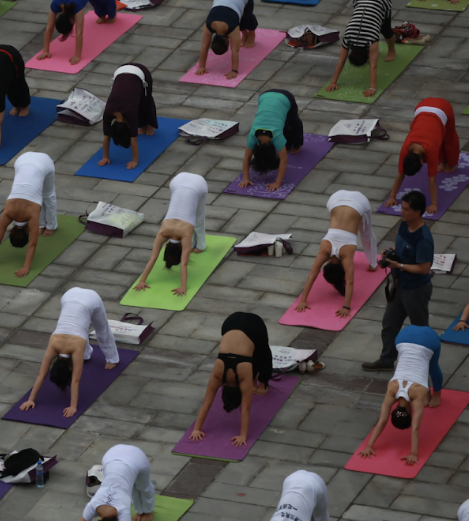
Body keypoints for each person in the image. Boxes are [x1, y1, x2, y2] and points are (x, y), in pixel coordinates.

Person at [18, 287, 120, 418]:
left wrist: (73, 406)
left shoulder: (75, 348)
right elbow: (41, 375)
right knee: (81, 337)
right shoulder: (53, 344)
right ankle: (91, 354)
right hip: (68, 295)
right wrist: (30, 399)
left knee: (101, 328)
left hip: (90, 299)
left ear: (70, 367)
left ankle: (112, 359)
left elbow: (75, 380)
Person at [365, 191, 434, 371]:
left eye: (405, 209)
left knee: (420, 330)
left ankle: (422, 364)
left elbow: (424, 268)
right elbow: (401, 246)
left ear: (417, 212)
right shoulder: (404, 225)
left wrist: (399, 265)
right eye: (401, 208)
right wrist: (392, 252)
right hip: (398, 286)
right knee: (389, 325)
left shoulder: (424, 238)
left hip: (416, 290)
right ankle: (387, 360)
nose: (401, 211)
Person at [357, 324, 442, 467]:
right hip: (404, 335)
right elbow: (382, 420)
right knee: (423, 366)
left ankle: (437, 395)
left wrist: (414, 454)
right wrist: (368, 445)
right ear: (395, 409)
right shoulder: (392, 390)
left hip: (428, 339)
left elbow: (415, 427)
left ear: (410, 411)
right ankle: (432, 393)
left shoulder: (417, 397)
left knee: (432, 367)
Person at [188, 312, 274, 449]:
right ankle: (259, 381)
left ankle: (263, 384)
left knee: (262, 353)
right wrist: (196, 429)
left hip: (252, 326)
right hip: (230, 322)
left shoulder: (241, 376)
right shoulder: (218, 375)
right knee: (255, 355)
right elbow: (207, 404)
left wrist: (243, 436)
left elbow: (245, 408)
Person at [294, 190, 381, 319]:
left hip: (359, 201)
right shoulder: (324, 249)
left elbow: (350, 282)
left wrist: (346, 307)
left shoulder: (346, 255)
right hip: (335, 198)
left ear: (342, 272)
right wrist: (303, 300)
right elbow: (311, 276)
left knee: (366, 233)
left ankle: (374, 264)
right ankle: (373, 262)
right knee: (365, 233)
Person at [0, 152, 57, 279]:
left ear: (28, 232)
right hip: (22, 160)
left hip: (44, 162)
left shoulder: (30, 216)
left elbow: (32, 244)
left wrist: (26, 267)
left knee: (48, 195)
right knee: (39, 198)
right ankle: (44, 225)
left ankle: (51, 226)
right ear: (12, 230)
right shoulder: (7, 213)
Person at [131, 172, 209, 297]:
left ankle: (201, 246)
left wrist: (183, 286)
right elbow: (152, 259)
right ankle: (199, 245)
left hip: (198, 183)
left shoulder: (185, 236)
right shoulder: (162, 233)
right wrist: (142, 280)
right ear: (166, 247)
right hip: (177, 180)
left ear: (182, 248)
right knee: (195, 214)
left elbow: (184, 263)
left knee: (198, 217)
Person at [384, 97, 460, 215]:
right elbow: (401, 173)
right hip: (422, 106)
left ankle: (451, 163)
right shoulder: (406, 148)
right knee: (438, 137)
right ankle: (443, 162)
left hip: (443, 108)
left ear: (421, 162)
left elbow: (432, 180)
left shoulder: (431, 149)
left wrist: (434, 204)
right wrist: (392, 197)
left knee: (449, 137)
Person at [42, 0, 119, 66]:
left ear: (72, 22)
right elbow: (49, 28)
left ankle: (112, 14)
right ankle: (101, 14)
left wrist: (77, 55)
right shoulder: (56, 3)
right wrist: (46, 51)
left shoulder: (77, 5)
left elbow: (79, 33)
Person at [327, 0, 396, 97]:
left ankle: (392, 50)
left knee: (386, 30)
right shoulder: (348, 37)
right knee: (378, 26)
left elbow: (373, 66)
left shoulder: (371, 39)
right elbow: (341, 61)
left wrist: (372, 88)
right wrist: (333, 83)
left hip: (382, 1)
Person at [239, 90, 305, 192]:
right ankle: (289, 144)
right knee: (282, 123)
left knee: (293, 122)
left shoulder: (277, 137)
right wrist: (246, 178)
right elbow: (247, 159)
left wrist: (277, 183)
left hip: (285, 98)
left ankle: (297, 146)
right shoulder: (252, 136)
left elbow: (283, 161)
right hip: (264, 96)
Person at [100, 63, 157, 170]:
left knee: (145, 101)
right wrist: (105, 157)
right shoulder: (108, 112)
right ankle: (144, 125)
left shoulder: (130, 113)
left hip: (141, 72)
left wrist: (135, 161)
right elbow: (106, 136)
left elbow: (133, 140)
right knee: (136, 102)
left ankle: (149, 125)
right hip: (121, 70)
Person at [199, 0, 258, 80]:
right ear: (213, 40)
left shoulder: (231, 27)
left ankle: (251, 33)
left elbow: (235, 50)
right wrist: (201, 66)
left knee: (246, 17)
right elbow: (204, 47)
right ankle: (244, 34)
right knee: (238, 16)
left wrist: (234, 71)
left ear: (227, 42)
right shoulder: (209, 24)